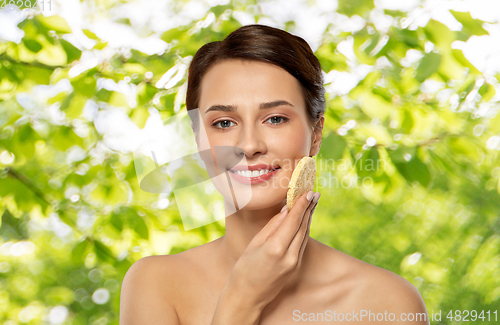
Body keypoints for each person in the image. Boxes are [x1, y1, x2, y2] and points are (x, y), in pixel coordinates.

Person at [120, 24, 430, 324]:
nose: (249, 145)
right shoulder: (155, 284)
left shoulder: (387, 302)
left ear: (317, 133)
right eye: (224, 123)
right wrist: (242, 298)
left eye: (276, 118)